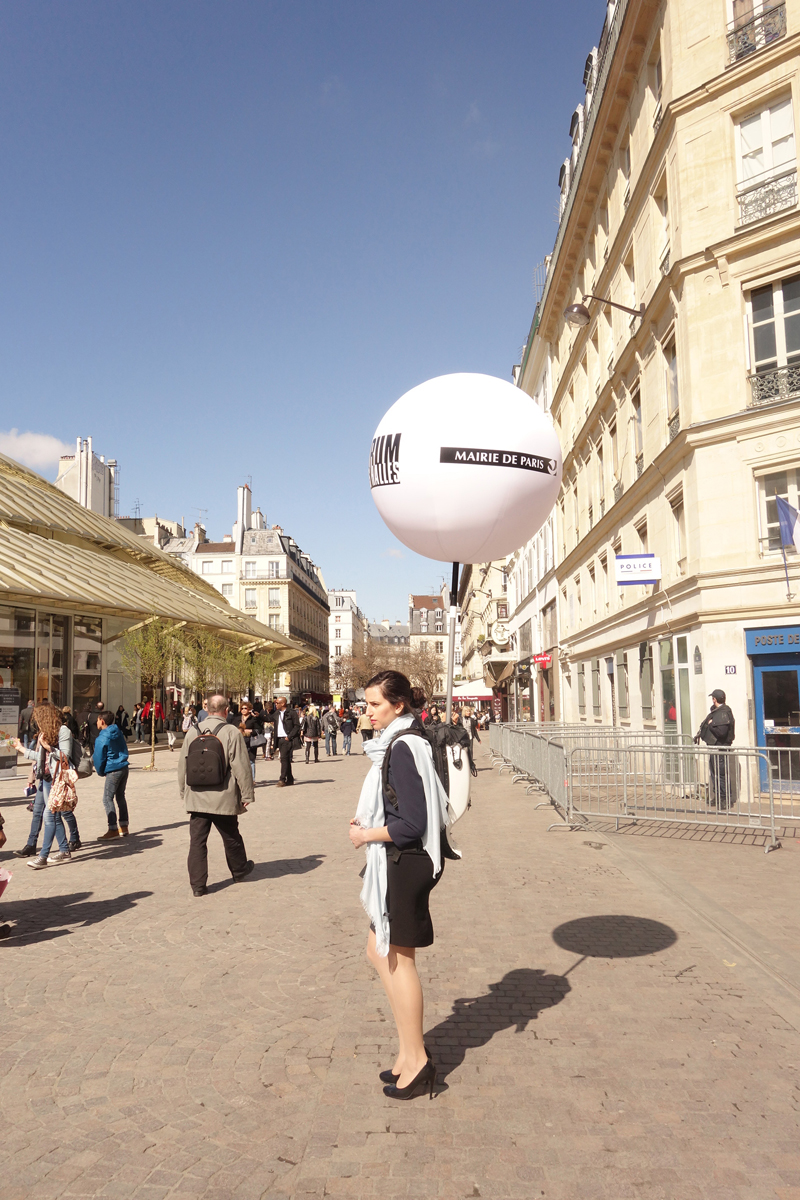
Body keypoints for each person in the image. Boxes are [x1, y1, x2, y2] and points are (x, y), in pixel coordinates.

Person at [349, 670, 448, 1100]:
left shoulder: (403, 747)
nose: (367, 712)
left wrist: (366, 834)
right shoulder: (402, 740)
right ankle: (409, 1053)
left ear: (399, 705)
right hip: (399, 861)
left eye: (375, 705)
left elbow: (412, 824)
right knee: (378, 951)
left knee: (397, 959)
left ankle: (418, 1060)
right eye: (367, 704)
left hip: (404, 863)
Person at [177, 694, 254, 895]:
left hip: (197, 797)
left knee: (197, 842)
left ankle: (198, 886)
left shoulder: (192, 731)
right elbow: (241, 766)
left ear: (207, 709)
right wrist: (247, 794)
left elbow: (182, 765)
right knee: (231, 836)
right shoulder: (231, 732)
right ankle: (239, 870)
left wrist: (183, 791)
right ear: (226, 710)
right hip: (223, 796)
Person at [12, 702, 82, 862]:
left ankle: (43, 856)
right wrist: (22, 749)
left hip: (56, 779)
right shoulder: (45, 733)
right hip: (44, 778)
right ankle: (63, 850)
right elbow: (41, 758)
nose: (35, 721)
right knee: (46, 814)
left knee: (50, 816)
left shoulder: (63, 731)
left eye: (38, 717)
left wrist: (47, 747)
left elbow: (65, 755)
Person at [695, 689, 736, 809]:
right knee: (715, 774)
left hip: (720, 747)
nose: (712, 700)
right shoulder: (717, 711)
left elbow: (721, 733)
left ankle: (725, 800)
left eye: (713, 698)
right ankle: (717, 797)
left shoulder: (724, 712)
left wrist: (711, 724)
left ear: (715, 699)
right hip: (714, 747)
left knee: (721, 774)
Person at [93, 710, 130, 838]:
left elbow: (98, 757)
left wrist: (100, 770)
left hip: (113, 768)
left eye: (98, 720)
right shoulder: (117, 731)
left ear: (102, 721)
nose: (96, 722)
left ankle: (113, 828)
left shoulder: (102, 737)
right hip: (123, 766)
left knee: (107, 798)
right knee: (120, 796)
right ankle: (124, 826)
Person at [268, 697, 301, 787]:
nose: (275, 704)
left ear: (282, 704)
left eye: (277, 702)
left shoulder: (291, 712)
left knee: (283, 759)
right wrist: (258, 715)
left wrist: (289, 736)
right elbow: (269, 718)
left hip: (287, 739)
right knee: (285, 759)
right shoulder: (277, 713)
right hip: (279, 739)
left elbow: (297, 726)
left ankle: (282, 779)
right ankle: (290, 779)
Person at [239, 700, 259, 781]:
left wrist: (250, 731)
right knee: (240, 761)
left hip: (250, 742)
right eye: (242, 708)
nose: (243, 710)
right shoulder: (237, 718)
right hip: (240, 741)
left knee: (251, 761)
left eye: (245, 708)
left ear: (249, 709)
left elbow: (259, 730)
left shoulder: (253, 719)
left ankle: (252, 779)